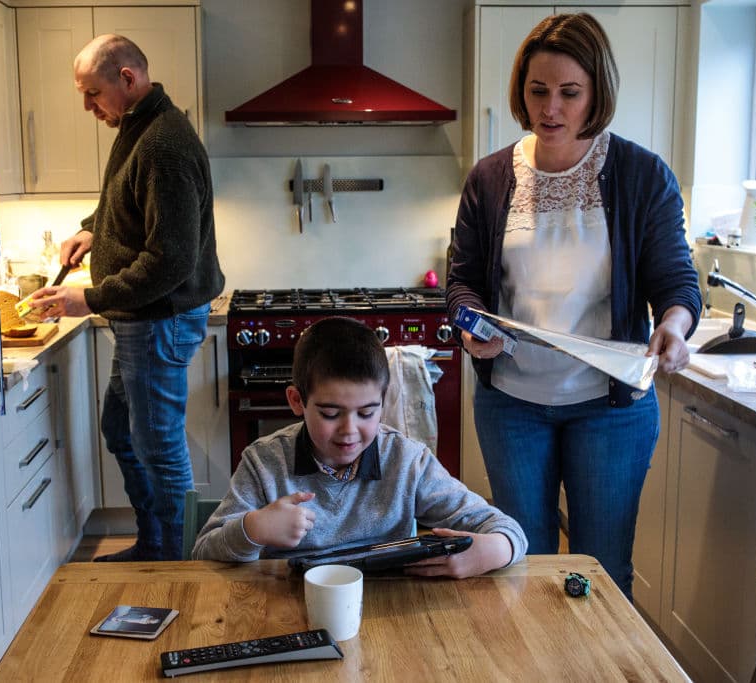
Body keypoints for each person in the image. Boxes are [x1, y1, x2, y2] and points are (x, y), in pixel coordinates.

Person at [445, 13, 700, 598]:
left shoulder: (641, 175)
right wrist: (470, 328)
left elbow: (677, 283)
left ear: (597, 95)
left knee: (602, 569)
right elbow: (461, 284)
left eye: (569, 93)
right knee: (521, 565)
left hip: (611, 408)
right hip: (511, 403)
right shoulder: (490, 179)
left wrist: (675, 327)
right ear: (521, 91)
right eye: (538, 91)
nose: (550, 108)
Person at [29, 34, 225, 561]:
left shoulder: (164, 142)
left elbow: (171, 260)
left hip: (159, 319)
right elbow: (130, 202)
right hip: (144, 319)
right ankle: (155, 541)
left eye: (92, 93)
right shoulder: (138, 126)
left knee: (160, 448)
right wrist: (93, 229)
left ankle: (177, 561)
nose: (88, 106)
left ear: (127, 79)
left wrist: (89, 299)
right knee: (121, 429)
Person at [192, 317, 528, 579]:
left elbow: (506, 529)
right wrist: (253, 528)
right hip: (286, 608)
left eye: (367, 413)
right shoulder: (263, 463)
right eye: (330, 413)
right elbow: (204, 552)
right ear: (296, 401)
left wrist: (494, 550)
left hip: (385, 618)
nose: (349, 431)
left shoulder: (407, 461)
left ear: (383, 401)